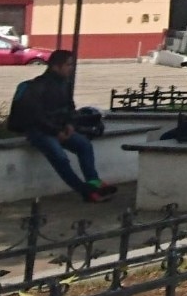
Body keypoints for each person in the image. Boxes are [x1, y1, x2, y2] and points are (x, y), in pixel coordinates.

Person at [7, 50, 115, 202]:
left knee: (84, 145)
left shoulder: (64, 85)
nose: (71, 68)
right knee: (60, 157)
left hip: (59, 129)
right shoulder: (38, 86)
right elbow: (35, 116)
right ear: (56, 67)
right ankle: (85, 191)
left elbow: (70, 108)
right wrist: (56, 131)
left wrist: (70, 124)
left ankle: (93, 181)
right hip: (40, 131)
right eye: (68, 65)